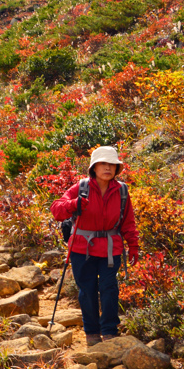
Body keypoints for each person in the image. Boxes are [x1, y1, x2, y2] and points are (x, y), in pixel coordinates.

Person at [50, 146, 139, 347]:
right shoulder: (80, 188)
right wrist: (74, 205)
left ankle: (109, 331)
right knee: (86, 290)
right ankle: (91, 332)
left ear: (117, 169)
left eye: (112, 165)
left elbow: (128, 222)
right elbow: (56, 210)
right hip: (82, 248)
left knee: (109, 288)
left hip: (111, 249)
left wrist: (133, 245)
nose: (107, 168)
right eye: (103, 164)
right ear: (94, 167)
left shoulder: (122, 191)